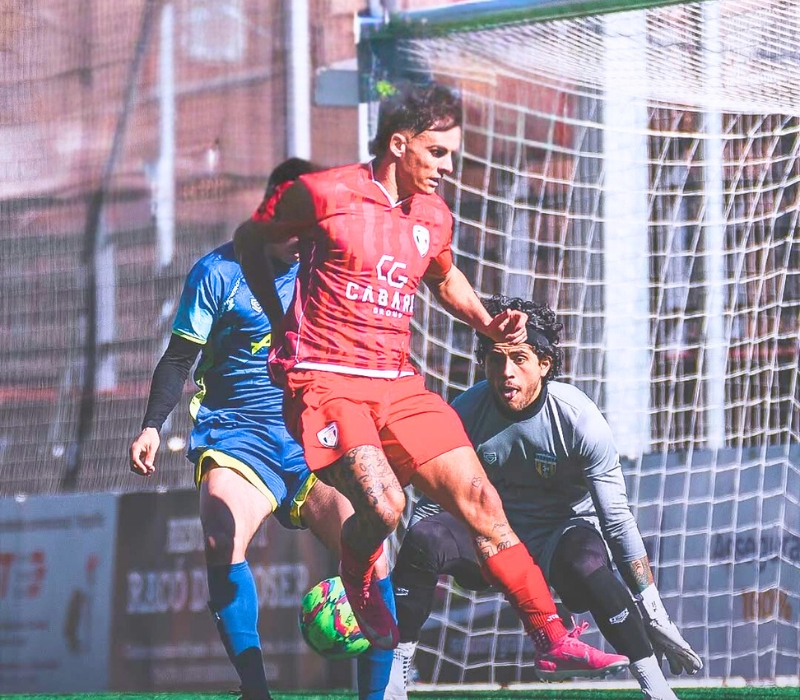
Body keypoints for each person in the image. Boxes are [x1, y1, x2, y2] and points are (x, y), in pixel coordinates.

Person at [233, 82, 627, 678]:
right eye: (437, 152)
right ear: (399, 144)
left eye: (451, 155)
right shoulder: (320, 193)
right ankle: (356, 571)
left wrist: (487, 322)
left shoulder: (432, 215)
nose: (447, 167)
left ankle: (550, 635)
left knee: (482, 501)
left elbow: (444, 278)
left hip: (397, 384)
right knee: (386, 507)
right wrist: (278, 314)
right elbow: (249, 239)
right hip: (327, 381)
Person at [129, 158, 395, 700]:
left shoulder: (327, 267)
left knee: (373, 548)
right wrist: (152, 426)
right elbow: (178, 359)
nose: (305, 237)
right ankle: (255, 690)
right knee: (219, 535)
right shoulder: (217, 273)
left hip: (312, 435)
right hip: (237, 436)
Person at [383, 295, 704, 700]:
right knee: (424, 536)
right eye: (496, 359)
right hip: (488, 544)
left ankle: (657, 689)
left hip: (560, 540)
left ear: (545, 364)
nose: (506, 372)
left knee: (588, 563)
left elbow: (616, 519)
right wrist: (414, 564)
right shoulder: (464, 412)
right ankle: (394, 681)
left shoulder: (579, 419)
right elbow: (433, 503)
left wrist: (653, 610)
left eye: (519, 359)